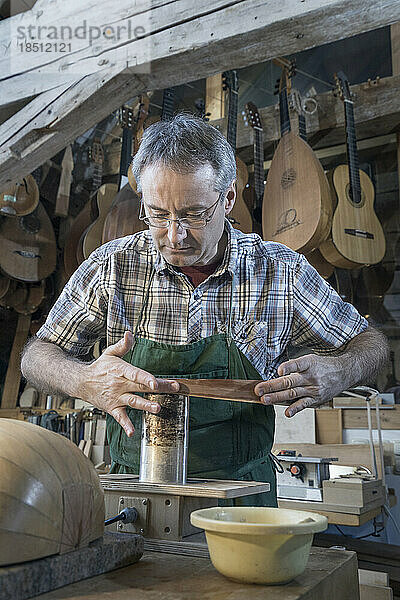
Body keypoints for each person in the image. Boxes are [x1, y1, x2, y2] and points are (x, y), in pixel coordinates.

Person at [21, 113, 389, 507]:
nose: (175, 235)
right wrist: (84, 381)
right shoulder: (112, 266)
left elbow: (372, 345)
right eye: (158, 215)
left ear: (228, 198)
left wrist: (341, 370)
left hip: (243, 503)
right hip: (133, 497)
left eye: (194, 214)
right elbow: (36, 357)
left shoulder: (282, 272)